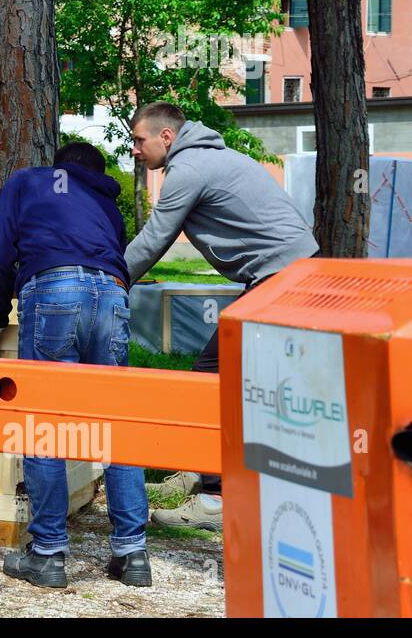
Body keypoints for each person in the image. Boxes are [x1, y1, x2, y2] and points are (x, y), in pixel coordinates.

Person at [126, 102, 318, 531]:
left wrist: (110, 280)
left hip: (282, 280)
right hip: (291, 274)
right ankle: (202, 470)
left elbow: (155, 238)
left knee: (213, 375)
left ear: (166, 137)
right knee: (249, 381)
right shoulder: (212, 157)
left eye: (139, 140)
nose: (135, 150)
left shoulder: (189, 169)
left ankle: (215, 496)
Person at [0, 141, 151, 588]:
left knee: (45, 424)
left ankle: (49, 553)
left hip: (54, 290)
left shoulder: (28, 182)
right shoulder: (105, 204)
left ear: (59, 166)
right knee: (116, 425)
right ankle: (132, 554)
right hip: (112, 294)